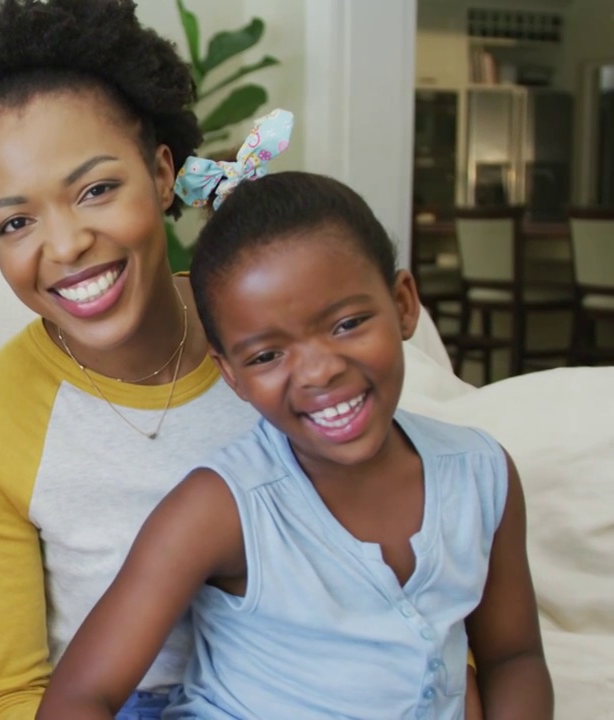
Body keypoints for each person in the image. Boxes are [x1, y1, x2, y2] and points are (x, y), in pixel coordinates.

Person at [39, 170, 553, 719]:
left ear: (404, 304)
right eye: (265, 356)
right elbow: (80, 697)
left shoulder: (481, 475)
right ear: (231, 375)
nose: (318, 372)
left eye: (348, 323)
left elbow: (513, 658)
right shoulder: (221, 508)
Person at [0, 1, 257, 717]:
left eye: (96, 190)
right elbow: (10, 692)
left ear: (163, 175)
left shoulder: (271, 338)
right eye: (16, 222)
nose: (65, 246)